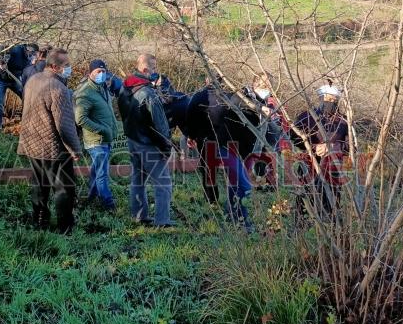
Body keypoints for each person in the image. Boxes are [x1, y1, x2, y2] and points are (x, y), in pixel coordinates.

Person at [186, 82, 266, 231]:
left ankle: (229, 212)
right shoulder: (233, 96)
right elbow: (191, 116)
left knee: (228, 180)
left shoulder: (234, 95)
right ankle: (239, 221)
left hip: (237, 146)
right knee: (239, 183)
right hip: (218, 142)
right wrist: (192, 135)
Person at [18, 48, 82, 233]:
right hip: (54, 147)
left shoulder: (33, 80)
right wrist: (75, 149)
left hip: (32, 142)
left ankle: (39, 222)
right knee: (64, 188)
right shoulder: (58, 88)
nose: (69, 68)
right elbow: (65, 126)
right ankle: (65, 227)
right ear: (55, 66)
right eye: (66, 65)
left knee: (39, 184)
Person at [118, 54, 175, 227]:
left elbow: (123, 113)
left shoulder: (125, 87)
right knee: (163, 182)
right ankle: (162, 220)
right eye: (154, 68)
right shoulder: (148, 93)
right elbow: (160, 125)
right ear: (145, 69)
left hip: (133, 140)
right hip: (149, 144)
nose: (156, 72)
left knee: (138, 179)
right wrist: (166, 147)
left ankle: (139, 215)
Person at [291, 83, 350, 215]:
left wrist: (333, 147)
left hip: (332, 168)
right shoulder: (306, 117)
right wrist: (313, 147)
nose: (330, 102)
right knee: (304, 203)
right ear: (321, 97)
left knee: (330, 204)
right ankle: (301, 228)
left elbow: (350, 147)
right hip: (308, 164)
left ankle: (330, 229)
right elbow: (294, 137)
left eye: (334, 99)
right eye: (327, 98)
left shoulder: (344, 122)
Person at [74, 59, 119, 211]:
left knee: (96, 171)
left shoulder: (102, 88)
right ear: (90, 73)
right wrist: (102, 129)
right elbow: (80, 118)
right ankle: (108, 204)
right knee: (102, 174)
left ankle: (89, 198)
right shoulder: (86, 92)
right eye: (98, 72)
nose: (101, 74)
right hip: (96, 140)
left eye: (103, 71)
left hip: (105, 139)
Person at [0, 43, 35, 129]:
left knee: (27, 97)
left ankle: (28, 120)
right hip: (0, 79)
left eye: (32, 52)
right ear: (25, 48)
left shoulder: (32, 58)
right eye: (28, 51)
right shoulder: (16, 50)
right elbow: (1, 47)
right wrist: (1, 62)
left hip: (15, 79)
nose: (29, 53)